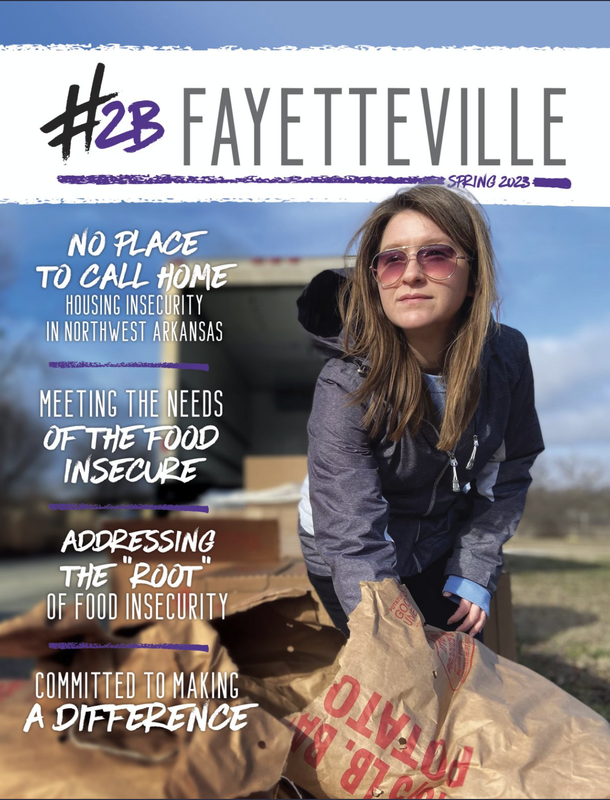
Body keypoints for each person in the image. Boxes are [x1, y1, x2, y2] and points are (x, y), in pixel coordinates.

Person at [297, 184, 544, 639]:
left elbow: (505, 472)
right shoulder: (344, 383)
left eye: (435, 256)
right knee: (393, 668)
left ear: (473, 278)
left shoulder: (507, 356)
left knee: (457, 663)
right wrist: (384, 627)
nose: (410, 275)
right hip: (347, 541)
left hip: (436, 535)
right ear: (376, 282)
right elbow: (351, 529)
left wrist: (475, 566)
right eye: (392, 260)